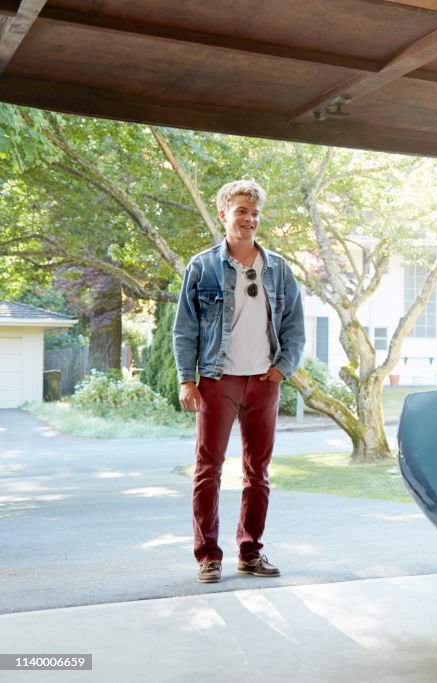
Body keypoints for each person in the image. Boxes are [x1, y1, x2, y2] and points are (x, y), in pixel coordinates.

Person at [173, 179, 305, 584]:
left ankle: (250, 552)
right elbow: (185, 329)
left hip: (264, 382)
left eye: (255, 212)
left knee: (257, 472)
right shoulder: (203, 266)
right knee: (207, 469)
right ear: (223, 214)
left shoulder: (278, 268)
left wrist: (282, 368)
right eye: (241, 211)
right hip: (217, 380)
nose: (250, 219)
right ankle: (208, 556)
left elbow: (295, 327)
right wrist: (186, 379)